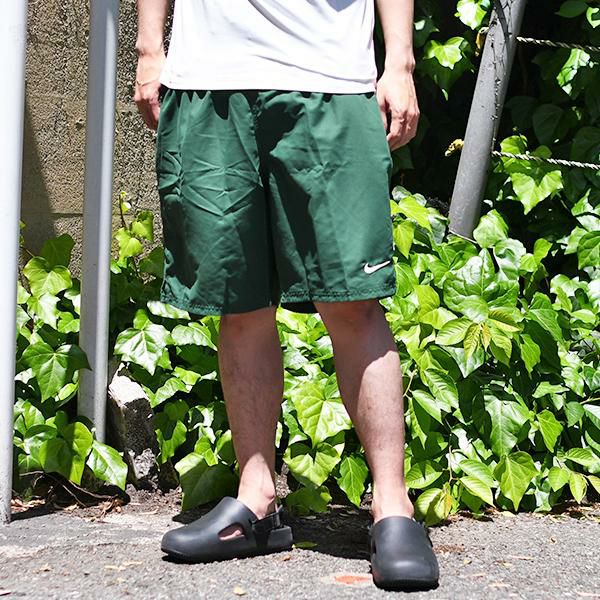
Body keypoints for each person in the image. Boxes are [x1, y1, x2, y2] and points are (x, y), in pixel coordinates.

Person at [134, 0, 439, 590]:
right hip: (209, 79)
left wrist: (399, 62)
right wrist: (150, 49)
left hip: (329, 77)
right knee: (239, 302)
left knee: (352, 301)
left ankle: (393, 506)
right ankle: (256, 501)